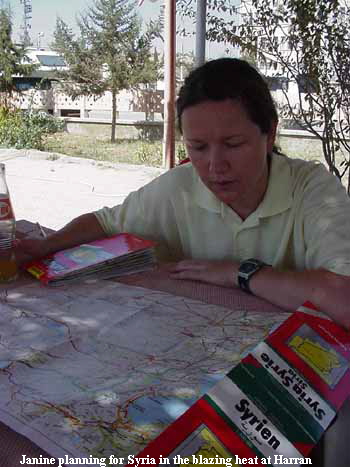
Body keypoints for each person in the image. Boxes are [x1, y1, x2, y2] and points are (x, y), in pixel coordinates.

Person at [17, 58, 350, 328]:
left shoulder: (313, 190)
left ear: (270, 132)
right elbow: (105, 223)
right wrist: (45, 245)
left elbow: (344, 298)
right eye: (198, 147)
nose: (215, 166)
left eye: (233, 144)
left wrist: (240, 273)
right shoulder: (180, 186)